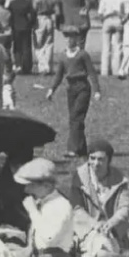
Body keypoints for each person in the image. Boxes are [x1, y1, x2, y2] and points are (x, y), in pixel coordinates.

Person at [44, 25, 100, 159]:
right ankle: (81, 148)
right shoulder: (63, 56)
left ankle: (72, 149)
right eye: (67, 37)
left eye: (72, 37)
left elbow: (92, 72)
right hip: (71, 89)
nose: (69, 40)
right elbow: (59, 75)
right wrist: (52, 89)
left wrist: (97, 90)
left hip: (82, 88)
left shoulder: (82, 54)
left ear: (77, 39)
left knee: (77, 117)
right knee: (74, 119)